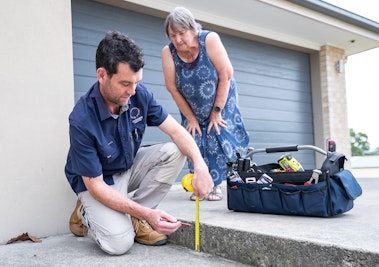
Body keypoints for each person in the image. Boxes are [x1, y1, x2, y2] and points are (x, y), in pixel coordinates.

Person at [65, 31, 214, 256]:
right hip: (98, 182)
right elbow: (95, 185)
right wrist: (148, 214)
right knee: (118, 245)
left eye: (137, 82)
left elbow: (176, 131)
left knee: (175, 151)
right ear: (102, 75)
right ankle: (86, 213)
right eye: (125, 83)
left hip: (126, 166)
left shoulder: (138, 94)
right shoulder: (81, 119)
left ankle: (136, 217)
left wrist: (200, 166)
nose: (133, 91)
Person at [161, 7, 249, 201]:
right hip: (192, 104)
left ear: (192, 29)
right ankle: (199, 184)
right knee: (194, 136)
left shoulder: (209, 39)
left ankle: (216, 185)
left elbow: (226, 74)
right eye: (172, 35)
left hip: (221, 97)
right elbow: (172, 87)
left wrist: (217, 111)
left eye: (181, 33)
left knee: (216, 132)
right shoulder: (168, 52)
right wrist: (190, 118)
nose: (177, 40)